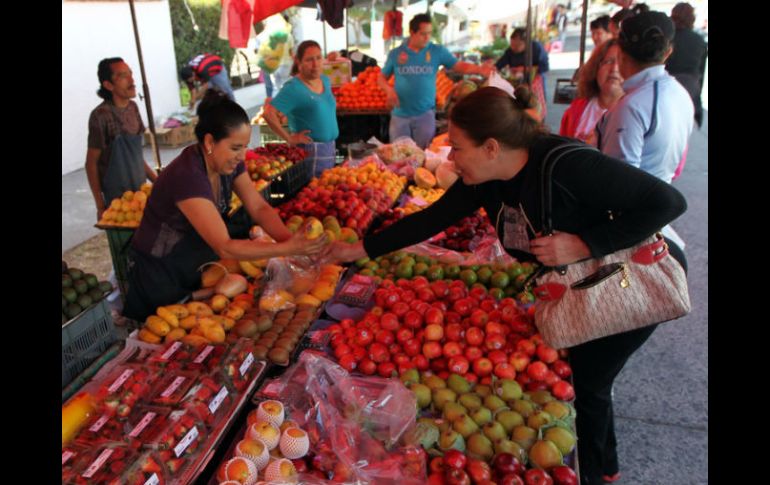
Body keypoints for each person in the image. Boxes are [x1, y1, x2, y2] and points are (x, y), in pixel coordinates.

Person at [325, 86, 688, 485]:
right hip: (583, 287)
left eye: (458, 147)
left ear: (492, 147)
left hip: (627, 279)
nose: (450, 156)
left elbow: (668, 202)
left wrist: (583, 244)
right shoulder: (488, 179)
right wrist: (356, 250)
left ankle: (598, 473)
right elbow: (431, 220)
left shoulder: (565, 164)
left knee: (589, 381)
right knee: (590, 380)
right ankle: (608, 463)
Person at [123, 90, 328, 322]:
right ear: (210, 142)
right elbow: (226, 247)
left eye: (244, 147)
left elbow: (259, 208)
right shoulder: (187, 176)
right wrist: (287, 249)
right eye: (235, 148)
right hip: (159, 274)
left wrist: (291, 242)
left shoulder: (227, 164)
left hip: (192, 266)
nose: (242, 156)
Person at [597, 10, 693, 183]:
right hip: (660, 197)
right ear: (667, 53)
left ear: (620, 54)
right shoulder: (681, 94)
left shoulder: (632, 106)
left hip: (633, 206)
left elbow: (619, 179)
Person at [378, 13, 493, 149]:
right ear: (412, 33)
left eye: (429, 33)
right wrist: (389, 90)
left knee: (426, 154)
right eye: (423, 34)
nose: (427, 38)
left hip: (425, 115)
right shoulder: (396, 53)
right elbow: (381, 78)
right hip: (400, 116)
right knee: (398, 157)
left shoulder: (436, 51)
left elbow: (459, 66)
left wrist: (479, 69)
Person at [86, 57, 158, 221]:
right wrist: (100, 205)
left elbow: (136, 157)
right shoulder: (100, 116)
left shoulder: (133, 108)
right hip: (117, 201)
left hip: (141, 194)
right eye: (123, 75)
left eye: (130, 73)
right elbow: (91, 163)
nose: (132, 80)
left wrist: (157, 181)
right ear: (108, 85)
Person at [263, 40, 340, 177]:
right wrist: (289, 138)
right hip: (310, 151)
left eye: (318, 58)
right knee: (313, 193)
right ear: (299, 62)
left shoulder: (325, 80)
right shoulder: (294, 88)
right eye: (309, 60)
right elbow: (269, 113)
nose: (315, 64)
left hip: (330, 148)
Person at [560, 39, 624, 144]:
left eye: (622, 62)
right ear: (596, 68)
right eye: (608, 61)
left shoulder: (633, 113)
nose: (614, 69)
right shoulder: (576, 109)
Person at [666, 2, 708, 128]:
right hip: (690, 88)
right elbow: (701, 72)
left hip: (667, 86)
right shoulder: (699, 41)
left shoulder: (667, 37)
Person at [495, 28, 551, 96]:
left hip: (534, 81)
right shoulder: (510, 51)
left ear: (526, 43)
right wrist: (493, 68)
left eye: (517, 45)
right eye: (512, 44)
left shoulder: (536, 48)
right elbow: (499, 64)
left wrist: (525, 69)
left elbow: (545, 67)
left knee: (534, 100)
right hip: (517, 81)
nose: (513, 48)